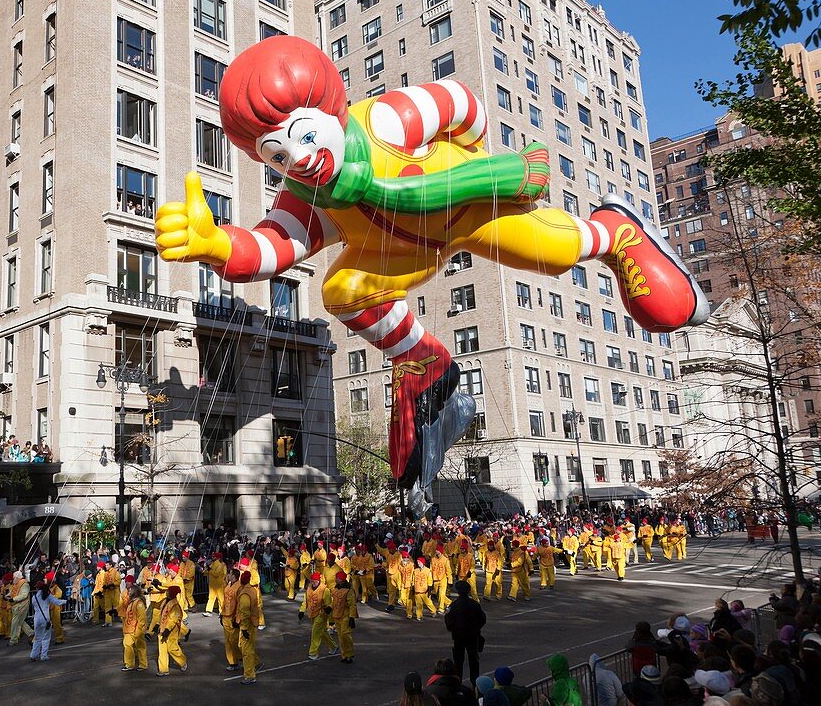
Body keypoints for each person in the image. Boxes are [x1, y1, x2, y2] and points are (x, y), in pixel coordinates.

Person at [159, 35, 708, 496]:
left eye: (302, 137)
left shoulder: (383, 124)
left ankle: (614, 233)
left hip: (463, 210)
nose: (297, 159)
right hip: (400, 251)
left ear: (329, 108)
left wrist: (475, 157)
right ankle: (424, 360)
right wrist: (216, 246)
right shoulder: (309, 196)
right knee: (343, 289)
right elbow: (275, 246)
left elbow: (459, 99)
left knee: (553, 252)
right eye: (277, 155)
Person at [445, 579, 486, 683]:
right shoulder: (474, 604)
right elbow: (482, 619)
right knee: (474, 661)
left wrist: (453, 629)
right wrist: (476, 628)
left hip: (459, 637)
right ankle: (475, 684)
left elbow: (448, 621)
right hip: (473, 636)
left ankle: (458, 683)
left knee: (458, 662)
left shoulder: (454, 605)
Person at [300, 571, 337, 659]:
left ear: (318, 580)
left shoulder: (325, 590)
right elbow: (306, 601)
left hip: (321, 614)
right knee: (323, 632)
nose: (313, 583)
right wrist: (302, 610)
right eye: (311, 581)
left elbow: (329, 605)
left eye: (314, 581)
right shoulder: (309, 588)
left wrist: (330, 618)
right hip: (312, 613)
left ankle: (313, 653)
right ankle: (333, 646)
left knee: (315, 633)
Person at [235, 570, 262, 684]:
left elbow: (245, 613)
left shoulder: (246, 593)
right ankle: (256, 663)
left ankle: (250, 675)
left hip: (248, 624)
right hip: (250, 622)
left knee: (246, 650)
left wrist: (244, 628)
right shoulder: (250, 590)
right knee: (244, 646)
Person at [29, 579, 66, 661]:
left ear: (38, 588)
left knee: (37, 638)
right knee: (46, 638)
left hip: (37, 618)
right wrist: (65, 601)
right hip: (45, 618)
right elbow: (57, 602)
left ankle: (33, 655)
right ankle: (43, 655)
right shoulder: (47, 596)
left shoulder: (34, 597)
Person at [156, 586, 187, 676]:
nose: (166, 592)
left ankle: (182, 661)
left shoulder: (175, 606)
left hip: (171, 631)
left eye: (168, 591)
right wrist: (157, 625)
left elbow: (174, 619)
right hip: (162, 629)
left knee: (172, 648)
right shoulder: (165, 602)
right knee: (162, 650)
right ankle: (163, 669)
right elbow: (161, 615)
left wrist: (167, 629)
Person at [330, 570, 358, 663]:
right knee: (340, 636)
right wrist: (330, 609)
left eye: (337, 578)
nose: (335, 579)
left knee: (346, 634)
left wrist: (351, 617)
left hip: (345, 615)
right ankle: (344, 655)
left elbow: (352, 604)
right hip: (337, 615)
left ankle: (350, 654)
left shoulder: (349, 590)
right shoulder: (335, 589)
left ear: (341, 580)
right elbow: (334, 602)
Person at [119, 583, 148, 671]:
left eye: (130, 591)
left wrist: (138, 630)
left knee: (140, 647)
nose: (128, 592)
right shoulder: (132, 602)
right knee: (127, 645)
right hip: (129, 628)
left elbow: (141, 618)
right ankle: (129, 664)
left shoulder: (139, 603)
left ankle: (143, 664)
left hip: (136, 629)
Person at [220, 569, 242, 672]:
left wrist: (237, 618)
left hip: (233, 617)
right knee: (228, 641)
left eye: (229, 573)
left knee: (235, 641)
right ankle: (233, 662)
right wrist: (221, 614)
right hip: (225, 616)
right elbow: (225, 601)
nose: (228, 575)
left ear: (233, 576)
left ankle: (245, 658)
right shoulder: (228, 586)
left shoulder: (239, 587)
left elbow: (239, 604)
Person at [7, 571, 33, 645]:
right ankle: (31, 633)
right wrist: (8, 596)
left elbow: (24, 595)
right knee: (20, 622)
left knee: (16, 622)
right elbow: (13, 592)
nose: (13, 579)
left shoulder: (25, 584)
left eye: (14, 578)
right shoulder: (17, 584)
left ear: (17, 578)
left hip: (21, 605)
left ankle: (13, 640)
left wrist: (13, 599)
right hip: (17, 605)